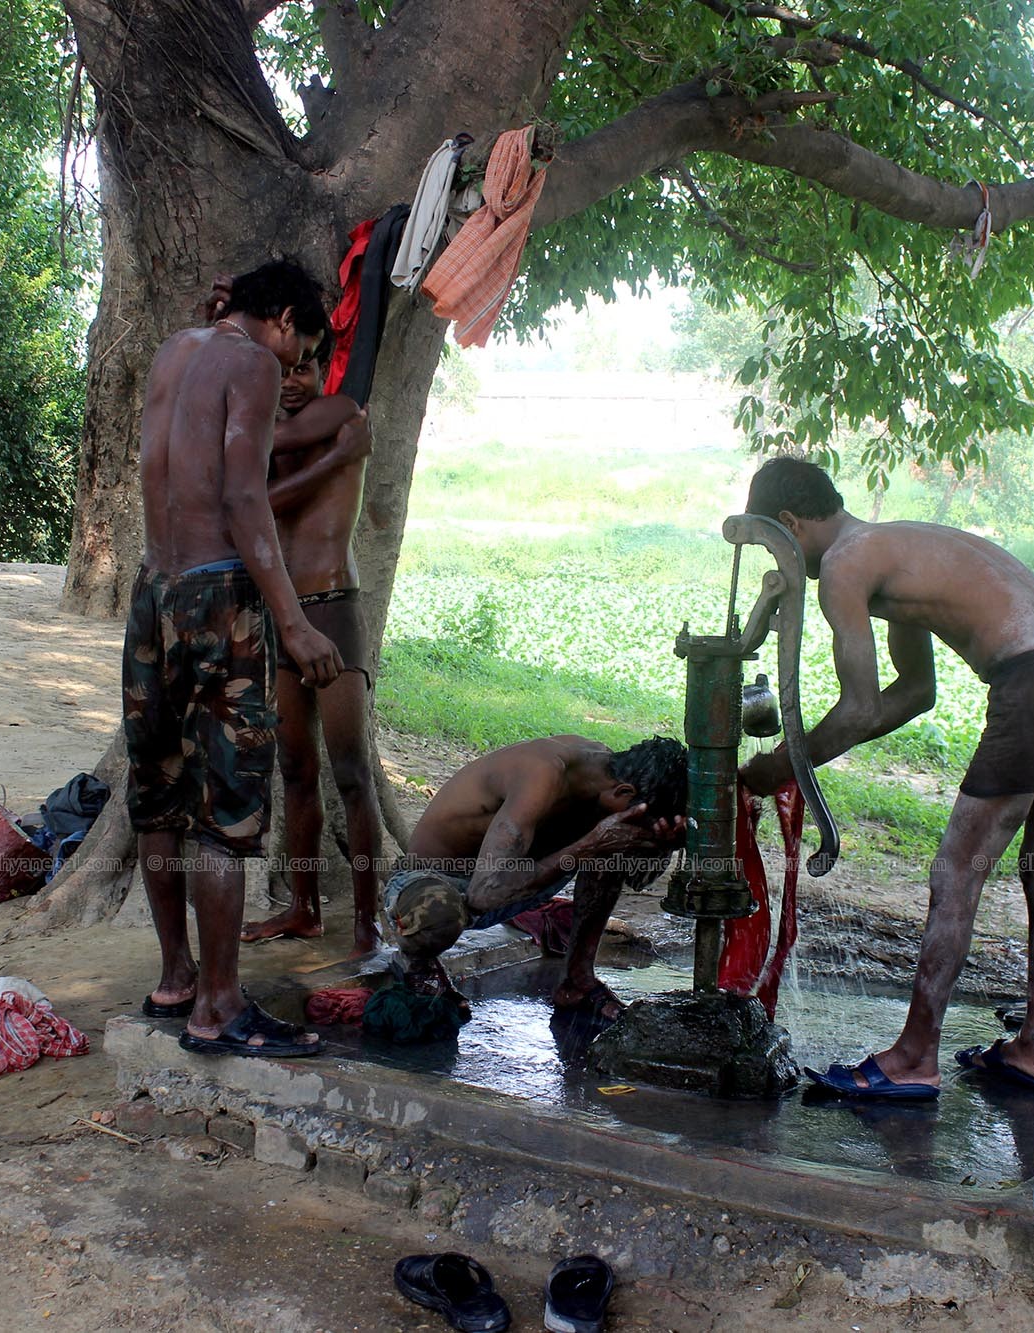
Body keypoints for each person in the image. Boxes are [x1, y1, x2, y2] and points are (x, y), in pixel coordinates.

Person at [736, 458, 1034, 1099]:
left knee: (956, 873)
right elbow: (915, 693)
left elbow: (859, 708)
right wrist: (797, 757)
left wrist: (776, 767)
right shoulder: (889, 548)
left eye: (769, 544)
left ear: (788, 524)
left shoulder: (841, 568)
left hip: (1033, 682)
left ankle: (914, 1057)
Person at [125, 258, 341, 1059]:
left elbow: (162, 468)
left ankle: (175, 978)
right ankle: (218, 1007)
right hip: (220, 598)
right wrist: (294, 622)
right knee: (226, 803)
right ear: (282, 319)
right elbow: (244, 494)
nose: (296, 370)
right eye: (301, 349)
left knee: (158, 796)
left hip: (155, 591)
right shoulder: (249, 359)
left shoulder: (175, 351)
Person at [238, 338, 384, 955]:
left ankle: (367, 919)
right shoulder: (265, 441)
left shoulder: (344, 419)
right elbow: (258, 508)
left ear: (324, 370)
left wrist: (341, 453)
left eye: (306, 368)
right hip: (282, 616)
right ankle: (303, 908)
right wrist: (333, 461)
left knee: (351, 772)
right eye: (284, 370)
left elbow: (264, 503)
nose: (295, 380)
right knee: (295, 771)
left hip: (333, 610)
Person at [385, 736, 687, 1021]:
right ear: (623, 793)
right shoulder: (542, 774)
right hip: (435, 883)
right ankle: (417, 963)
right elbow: (484, 894)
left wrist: (661, 842)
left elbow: (638, 878)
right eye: (641, 822)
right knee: (437, 911)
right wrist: (592, 843)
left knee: (613, 844)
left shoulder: (608, 779)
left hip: (511, 882)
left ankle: (577, 980)